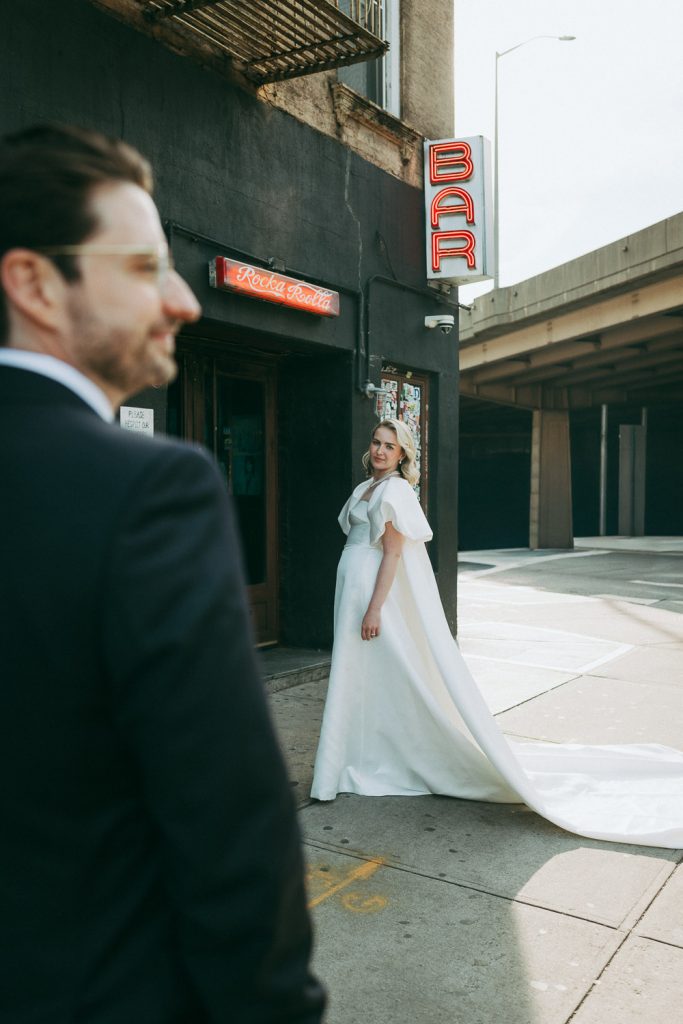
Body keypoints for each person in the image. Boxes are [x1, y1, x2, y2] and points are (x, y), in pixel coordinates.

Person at [0, 124, 325, 1024]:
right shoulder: (151, 490)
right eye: (145, 268)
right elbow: (228, 822)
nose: (182, 301)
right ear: (35, 283)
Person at [311, 418, 683, 849]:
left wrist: (375, 607)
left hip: (372, 598)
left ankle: (354, 763)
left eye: (389, 446)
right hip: (352, 591)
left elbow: (393, 554)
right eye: (376, 442)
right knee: (361, 675)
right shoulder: (367, 487)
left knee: (382, 672)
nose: (379, 450)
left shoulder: (394, 492)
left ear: (402, 455)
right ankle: (357, 757)